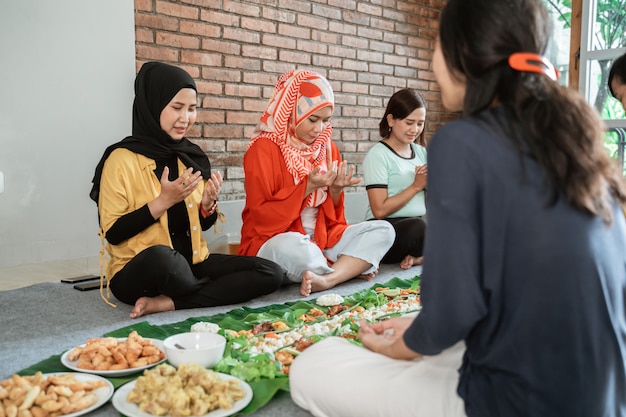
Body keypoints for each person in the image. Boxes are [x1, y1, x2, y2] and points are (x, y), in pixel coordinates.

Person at [290, 0, 626, 416]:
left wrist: (402, 347)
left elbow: (453, 308)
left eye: (435, 45)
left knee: (313, 365)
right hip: (599, 395)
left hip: (521, 403)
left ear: (460, 52)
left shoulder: (460, 143)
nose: (432, 61)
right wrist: (418, 328)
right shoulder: (577, 142)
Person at [89, 62, 284, 319]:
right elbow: (113, 233)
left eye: (192, 109)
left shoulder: (190, 157)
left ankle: (169, 303)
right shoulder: (120, 159)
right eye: (177, 108)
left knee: (271, 273)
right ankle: (204, 292)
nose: (186, 118)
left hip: (192, 263)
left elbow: (203, 226)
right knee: (164, 260)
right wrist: (164, 201)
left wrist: (207, 207)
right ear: (153, 105)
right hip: (140, 271)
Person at [239, 69, 395, 297]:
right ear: (292, 111)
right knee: (293, 247)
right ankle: (345, 270)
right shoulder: (262, 149)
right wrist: (307, 187)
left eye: (326, 120)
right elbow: (262, 217)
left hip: (322, 240)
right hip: (275, 241)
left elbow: (335, 220)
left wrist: (335, 190)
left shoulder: (327, 148)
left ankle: (326, 278)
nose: (319, 129)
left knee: (384, 230)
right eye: (313, 119)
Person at [363, 88, 428, 270]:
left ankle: (418, 258)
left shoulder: (422, 153)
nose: (414, 130)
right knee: (419, 227)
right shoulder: (378, 155)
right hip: (386, 229)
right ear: (391, 120)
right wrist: (416, 186)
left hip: (418, 225)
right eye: (409, 122)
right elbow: (379, 210)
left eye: (420, 124)